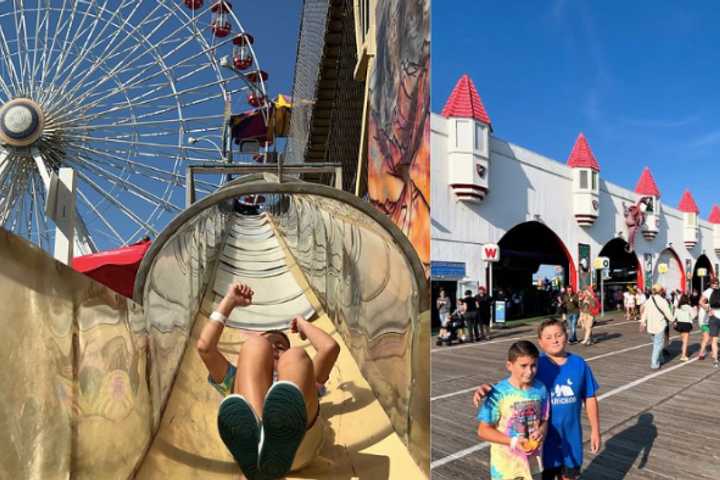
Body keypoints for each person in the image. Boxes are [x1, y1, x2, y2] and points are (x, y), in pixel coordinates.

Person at [197, 283, 340, 479]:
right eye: (270, 344)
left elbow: (329, 348)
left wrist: (302, 323)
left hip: (300, 445)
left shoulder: (306, 378)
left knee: (296, 356)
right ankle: (259, 438)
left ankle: (276, 437)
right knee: (255, 345)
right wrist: (229, 302)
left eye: (280, 346)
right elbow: (205, 348)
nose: (273, 348)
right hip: (254, 451)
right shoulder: (237, 378)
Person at [474, 319, 601, 480]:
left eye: (558, 335)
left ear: (567, 335)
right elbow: (514, 381)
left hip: (570, 438)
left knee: (570, 475)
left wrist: (595, 430)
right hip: (542, 446)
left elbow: (589, 397)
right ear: (540, 342)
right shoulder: (536, 363)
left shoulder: (579, 364)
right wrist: (489, 387)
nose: (554, 340)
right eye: (548, 337)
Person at [477, 341, 550, 480]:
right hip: (506, 468)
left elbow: (545, 419)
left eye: (533, 365)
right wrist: (513, 441)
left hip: (533, 464)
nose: (529, 371)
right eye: (523, 366)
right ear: (509, 365)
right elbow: (483, 430)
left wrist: (541, 431)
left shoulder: (541, 389)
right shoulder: (499, 393)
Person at [639, 284, 673, 370]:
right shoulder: (662, 301)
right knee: (658, 345)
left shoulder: (649, 300)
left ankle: (660, 358)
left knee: (656, 344)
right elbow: (668, 314)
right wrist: (673, 320)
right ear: (661, 291)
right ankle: (654, 363)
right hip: (660, 325)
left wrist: (643, 323)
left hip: (650, 326)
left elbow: (644, 313)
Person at [699, 276, 720, 368]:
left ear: (711, 284)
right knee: (713, 339)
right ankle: (714, 356)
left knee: (713, 340)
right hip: (714, 316)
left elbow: (700, 302)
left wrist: (708, 310)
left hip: (713, 317)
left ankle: (715, 360)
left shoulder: (707, 291)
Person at [673, 294, 695, 361]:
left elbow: (674, 317)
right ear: (687, 300)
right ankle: (683, 356)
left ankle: (684, 352)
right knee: (685, 341)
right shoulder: (689, 307)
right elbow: (693, 316)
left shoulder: (678, 307)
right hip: (686, 324)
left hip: (679, 324)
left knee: (683, 340)